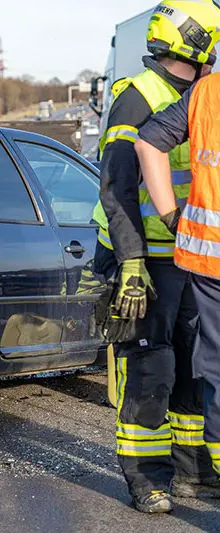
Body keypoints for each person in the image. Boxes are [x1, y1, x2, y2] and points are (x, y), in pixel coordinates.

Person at [90, 0, 220, 513]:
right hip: (142, 257)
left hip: (189, 256)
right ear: (201, 42)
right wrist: (131, 260)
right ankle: (147, 477)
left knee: (194, 363)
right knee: (150, 364)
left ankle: (193, 470)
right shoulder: (137, 97)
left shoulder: (198, 95)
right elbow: (117, 186)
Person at [135, 67, 220, 486]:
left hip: (210, 260)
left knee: (216, 370)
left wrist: (172, 215)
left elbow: (148, 143)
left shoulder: (207, 93)